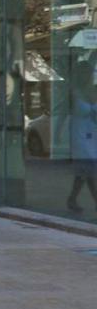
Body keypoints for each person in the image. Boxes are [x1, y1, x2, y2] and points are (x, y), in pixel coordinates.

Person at [68, 64, 97, 213]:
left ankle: (72, 199)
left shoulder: (93, 90)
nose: (89, 76)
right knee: (89, 169)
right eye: (87, 73)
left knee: (84, 172)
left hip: (92, 135)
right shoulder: (75, 92)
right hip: (80, 136)